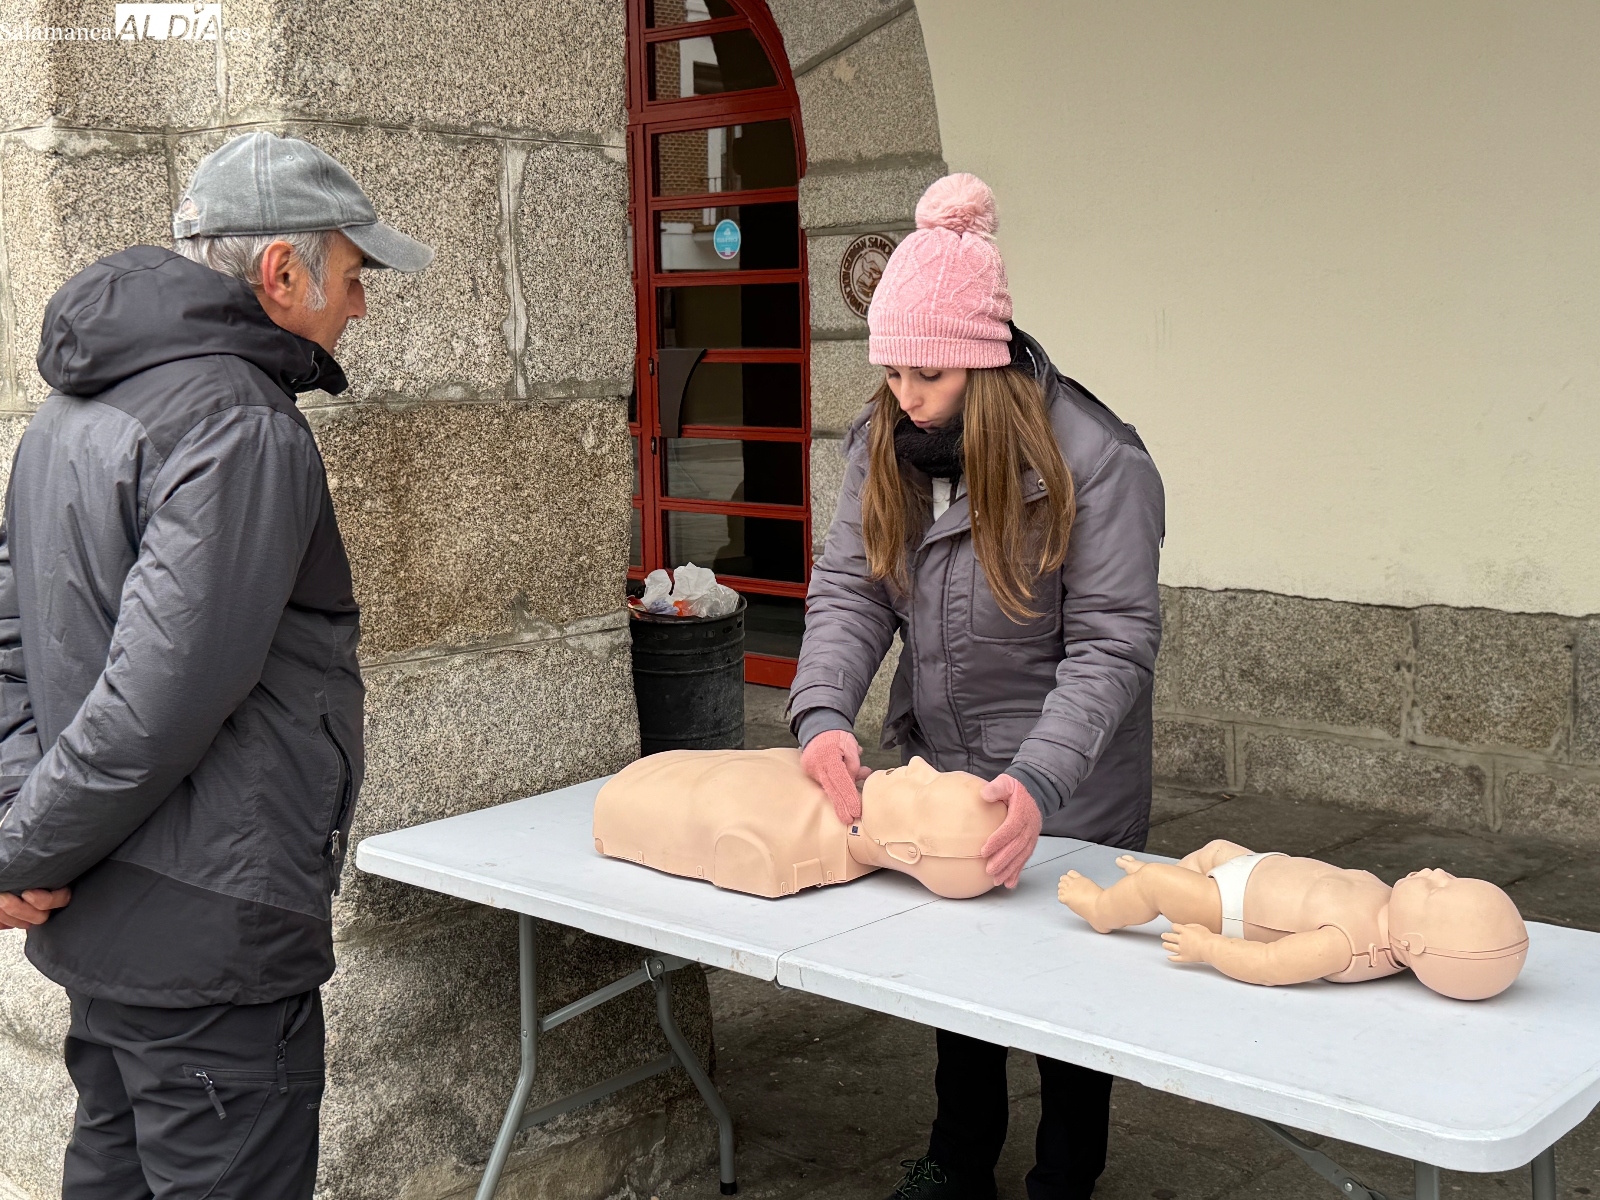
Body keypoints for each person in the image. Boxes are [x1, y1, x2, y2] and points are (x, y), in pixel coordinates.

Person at [0, 131, 432, 1199]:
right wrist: (15, 850)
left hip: (109, 912)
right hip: (210, 929)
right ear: (282, 273)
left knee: (115, 1169)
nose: (359, 307)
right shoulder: (241, 423)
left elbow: (13, 643)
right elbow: (156, 703)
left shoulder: (71, 408)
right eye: (351, 272)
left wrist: (21, 826)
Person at [789, 173, 1164, 1200]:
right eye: (891, 371)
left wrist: (1042, 777)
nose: (903, 395)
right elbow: (851, 591)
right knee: (958, 979)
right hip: (947, 762)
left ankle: (1064, 1173)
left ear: (981, 366)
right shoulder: (885, 444)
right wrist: (822, 714)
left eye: (926, 375)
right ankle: (958, 1158)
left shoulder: (1097, 462)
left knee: (1068, 997)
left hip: (1070, 782)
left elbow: (1113, 644)